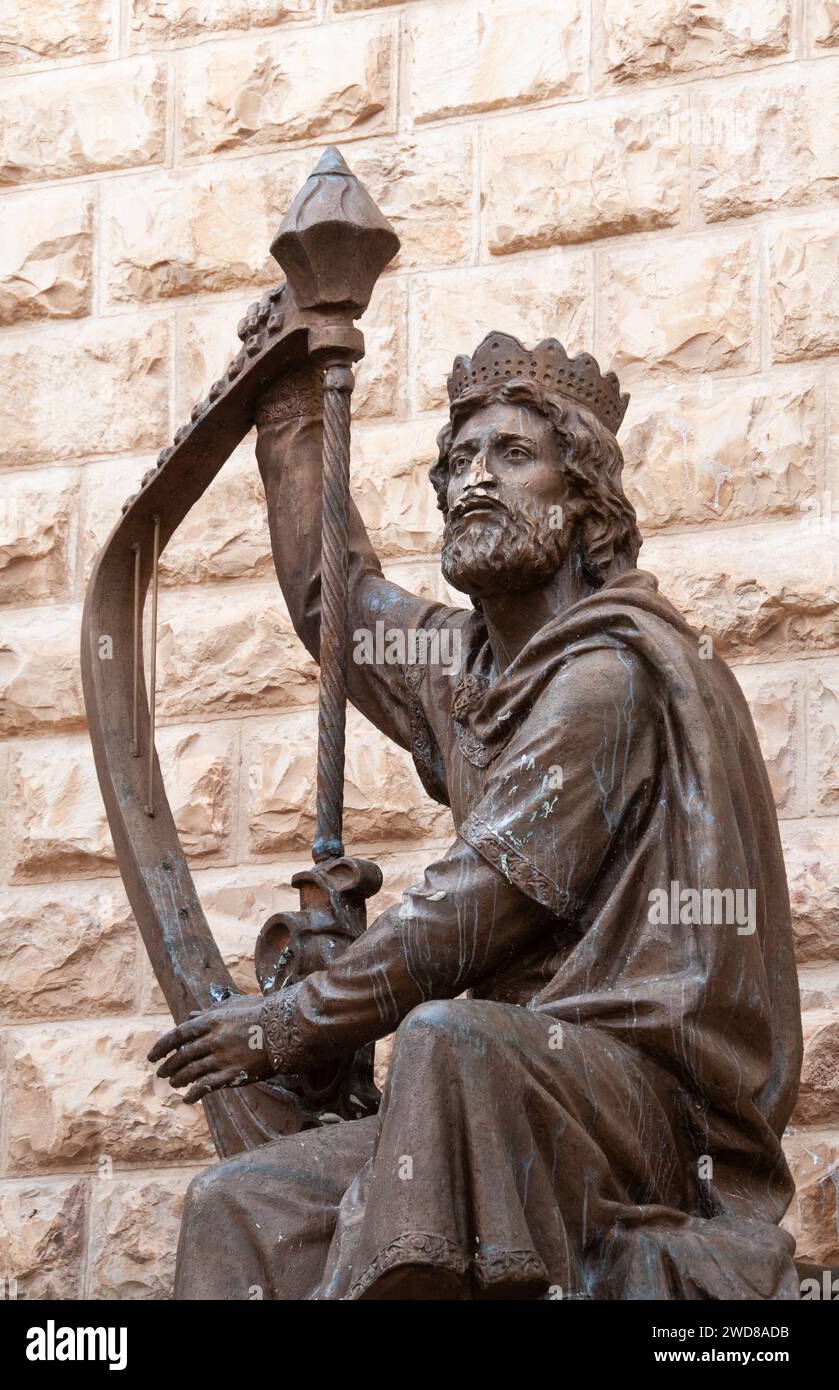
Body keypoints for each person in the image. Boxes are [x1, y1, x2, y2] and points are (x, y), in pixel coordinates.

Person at [151, 333, 803, 1300]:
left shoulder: (607, 675)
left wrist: (287, 1026)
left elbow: (473, 906)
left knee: (449, 1038)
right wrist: (290, 403)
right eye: (458, 463)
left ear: (583, 499)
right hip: (498, 1082)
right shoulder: (466, 666)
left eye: (511, 456)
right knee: (239, 1201)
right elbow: (339, 603)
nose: (474, 482)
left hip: (644, 1104)